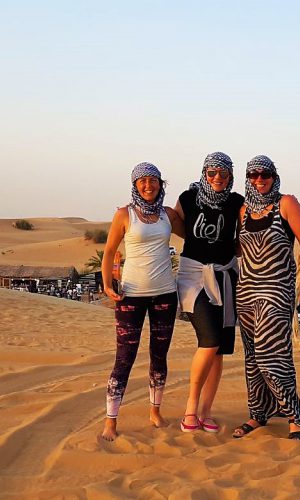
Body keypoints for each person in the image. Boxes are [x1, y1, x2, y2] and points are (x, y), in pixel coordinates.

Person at [232, 155, 300, 440]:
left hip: (277, 290)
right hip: (245, 292)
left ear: (273, 175)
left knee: (273, 357)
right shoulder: (243, 211)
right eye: (254, 175)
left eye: (264, 174)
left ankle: (296, 415)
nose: (259, 179)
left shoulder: (287, 204)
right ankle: (259, 413)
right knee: (253, 359)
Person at [99, 162, 184, 441]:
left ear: (161, 183)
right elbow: (110, 250)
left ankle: (155, 411)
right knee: (124, 358)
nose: (149, 186)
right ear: (135, 184)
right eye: (142, 181)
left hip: (164, 294)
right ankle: (111, 421)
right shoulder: (124, 214)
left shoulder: (167, 215)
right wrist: (107, 283)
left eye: (154, 180)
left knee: (159, 356)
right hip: (130, 296)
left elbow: (196, 234)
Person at [173, 152, 245, 434]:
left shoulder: (237, 201)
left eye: (223, 173)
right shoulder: (187, 199)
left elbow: (246, 232)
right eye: (212, 172)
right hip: (194, 277)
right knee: (210, 339)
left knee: (218, 352)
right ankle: (191, 407)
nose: (217, 178)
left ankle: (206, 411)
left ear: (230, 176)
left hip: (226, 276)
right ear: (204, 172)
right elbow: (175, 224)